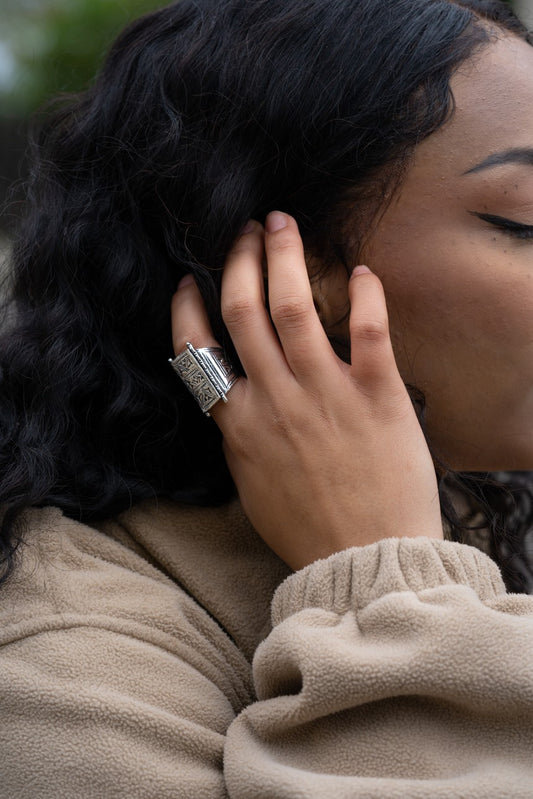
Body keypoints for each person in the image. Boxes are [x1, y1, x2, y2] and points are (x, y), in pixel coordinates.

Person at [0, 0, 532, 795]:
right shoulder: (66, 684)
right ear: (282, 273)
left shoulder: (485, 506)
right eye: (523, 221)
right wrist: (384, 581)